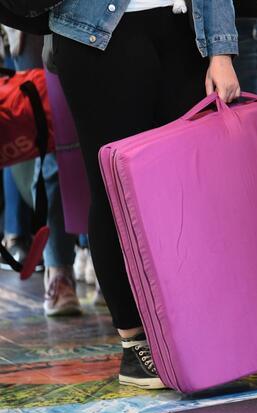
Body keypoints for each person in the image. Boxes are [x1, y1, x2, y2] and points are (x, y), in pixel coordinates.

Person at [50, 0, 241, 390]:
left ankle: (194, 329)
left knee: (190, 188)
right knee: (113, 189)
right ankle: (134, 342)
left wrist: (221, 50)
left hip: (182, 27)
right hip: (95, 32)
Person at [1, 28, 79, 316]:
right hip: (29, 19)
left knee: (96, 140)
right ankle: (59, 271)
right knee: (54, 141)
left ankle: (100, 263)